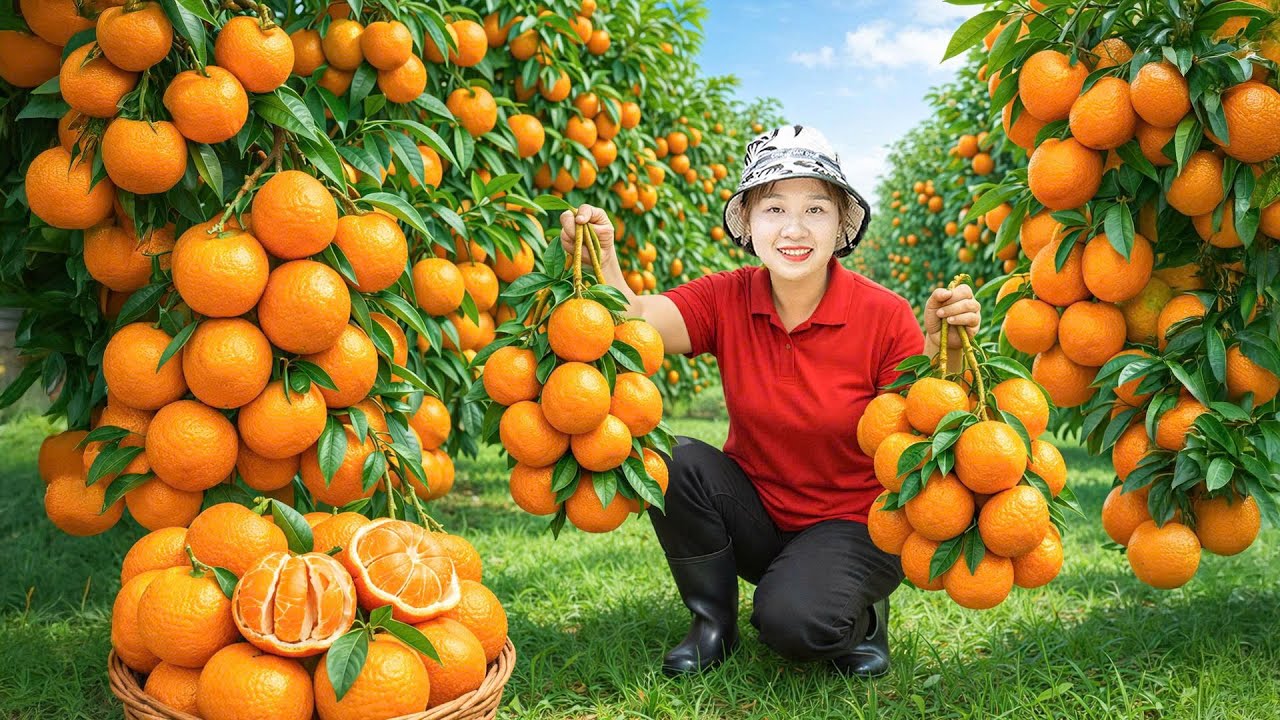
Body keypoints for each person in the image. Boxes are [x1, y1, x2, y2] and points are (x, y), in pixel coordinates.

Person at [557, 125, 981, 677]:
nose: (795, 228)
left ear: (841, 224)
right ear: (750, 225)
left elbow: (927, 426)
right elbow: (633, 321)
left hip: (855, 523)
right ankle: (712, 625)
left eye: (816, 210)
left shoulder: (883, 314)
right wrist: (602, 257)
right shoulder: (727, 297)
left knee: (794, 625)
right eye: (774, 209)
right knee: (673, 458)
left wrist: (944, 350)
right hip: (758, 515)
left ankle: (863, 615)